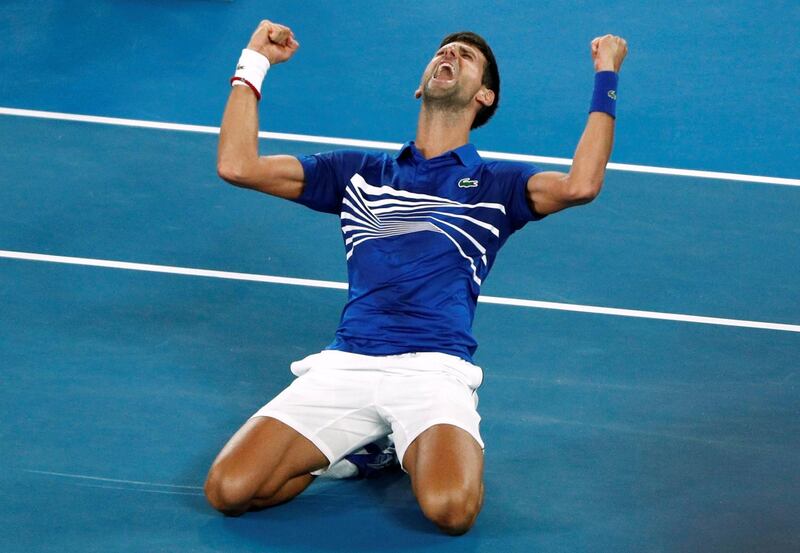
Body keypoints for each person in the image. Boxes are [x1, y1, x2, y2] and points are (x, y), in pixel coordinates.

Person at [204, 19, 627, 536]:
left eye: (466, 58)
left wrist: (606, 74)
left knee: (450, 510)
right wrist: (255, 61)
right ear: (421, 83)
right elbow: (237, 165)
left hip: (433, 370)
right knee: (230, 490)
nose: (449, 55)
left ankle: (390, 442)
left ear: (484, 96)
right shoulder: (355, 172)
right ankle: (364, 448)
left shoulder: (499, 184)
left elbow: (581, 185)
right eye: (443, 51)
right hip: (347, 364)